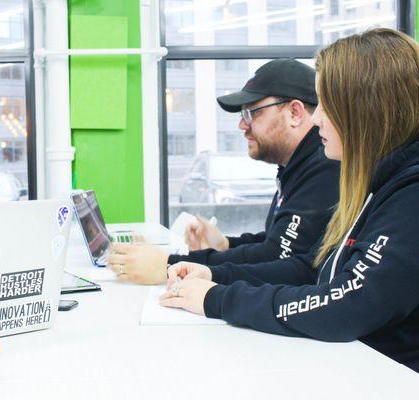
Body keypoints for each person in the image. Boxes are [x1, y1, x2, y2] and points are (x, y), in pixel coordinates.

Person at [159, 28, 419, 372]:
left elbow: (349, 303)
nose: (317, 117)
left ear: (365, 110)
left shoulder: (410, 193)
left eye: (327, 104)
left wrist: (217, 298)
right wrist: (213, 274)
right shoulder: (376, 183)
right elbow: (313, 268)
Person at [108, 59, 340, 284]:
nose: (242, 125)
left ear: (295, 113)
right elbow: (277, 241)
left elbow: (280, 256)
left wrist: (172, 265)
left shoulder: (324, 167)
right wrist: (225, 244)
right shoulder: (298, 165)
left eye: (252, 113)